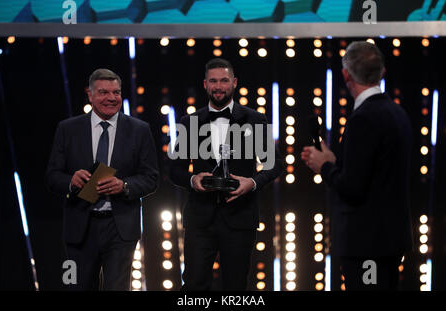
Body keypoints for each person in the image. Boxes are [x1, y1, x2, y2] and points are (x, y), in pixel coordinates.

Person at [301, 41, 413, 290]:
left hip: (367, 243)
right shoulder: (397, 113)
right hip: (388, 240)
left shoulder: (364, 118)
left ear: (345, 74)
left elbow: (353, 188)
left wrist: (324, 167)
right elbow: (376, 172)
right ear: (382, 73)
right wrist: (335, 161)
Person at [170, 58, 283, 290]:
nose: (218, 86)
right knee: (193, 285)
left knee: (235, 287)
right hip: (200, 220)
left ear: (234, 83)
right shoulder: (189, 122)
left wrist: (251, 182)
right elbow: (174, 170)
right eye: (213, 81)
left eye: (224, 80)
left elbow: (274, 164)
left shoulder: (255, 120)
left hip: (240, 218)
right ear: (205, 84)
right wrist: (193, 180)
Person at [46, 69, 159, 290]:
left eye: (116, 92)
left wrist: (124, 185)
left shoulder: (140, 130)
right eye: (103, 92)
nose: (111, 98)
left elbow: (151, 178)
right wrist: (72, 181)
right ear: (90, 94)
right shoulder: (68, 129)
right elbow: (52, 177)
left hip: (120, 228)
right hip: (80, 227)